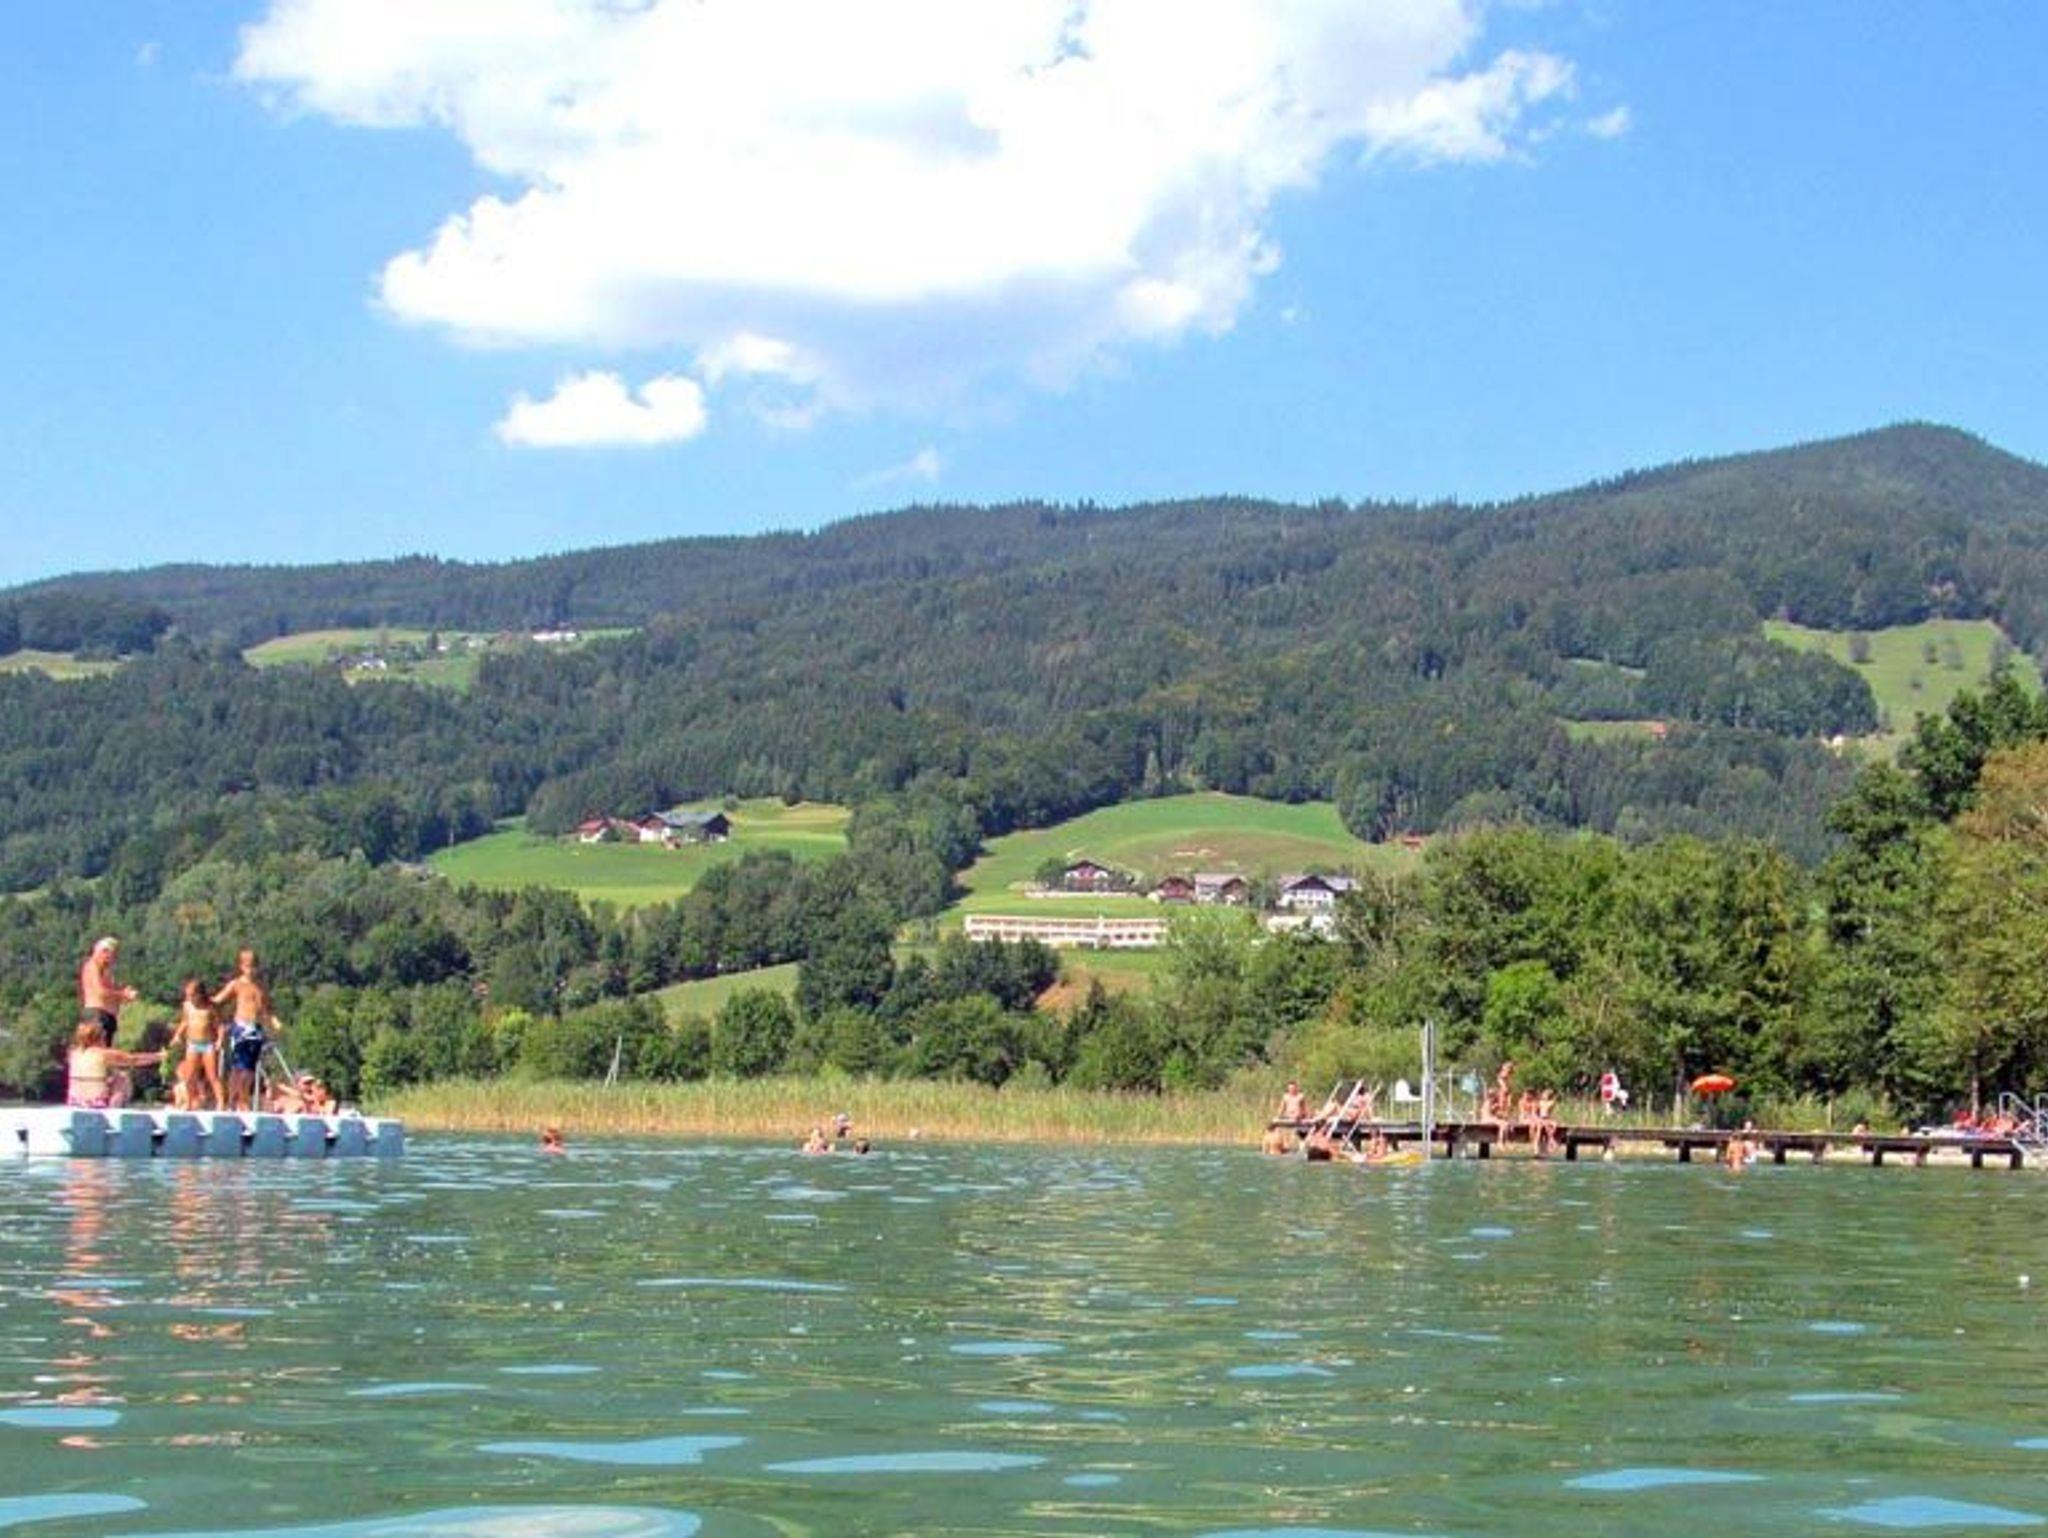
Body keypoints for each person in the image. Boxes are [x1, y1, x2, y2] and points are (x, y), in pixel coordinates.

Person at [213, 949, 281, 1113]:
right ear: (241, 966)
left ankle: (242, 1099)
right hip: (241, 1027)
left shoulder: (260, 987)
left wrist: (274, 1020)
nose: (251, 970)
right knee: (239, 1068)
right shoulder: (237, 984)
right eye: (248, 966)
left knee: (250, 1069)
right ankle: (235, 1101)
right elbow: (218, 999)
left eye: (254, 966)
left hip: (255, 1028)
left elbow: (266, 1008)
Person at [66, 1021, 163, 1109]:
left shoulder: (73, 1053)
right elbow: (134, 1060)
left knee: (111, 1075)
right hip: (96, 1102)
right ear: (99, 1037)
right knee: (122, 1078)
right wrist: (159, 1056)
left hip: (75, 1101)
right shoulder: (103, 1054)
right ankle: (115, 1109)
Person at [165, 979, 223, 1112]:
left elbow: (220, 1026)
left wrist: (219, 1040)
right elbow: (185, 1022)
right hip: (192, 1044)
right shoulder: (187, 1006)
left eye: (192, 995)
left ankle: (221, 1102)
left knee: (212, 1075)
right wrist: (177, 1035)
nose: (189, 998)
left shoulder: (210, 1007)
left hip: (207, 1044)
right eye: (188, 995)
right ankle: (189, 1102)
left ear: (200, 994)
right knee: (190, 1076)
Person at [78, 937, 138, 1048]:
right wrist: (122, 994)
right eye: (111, 955)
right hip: (96, 1015)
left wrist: (124, 996)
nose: (112, 959)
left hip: (107, 1016)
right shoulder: (92, 966)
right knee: (98, 1051)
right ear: (103, 952)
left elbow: (110, 994)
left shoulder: (105, 971)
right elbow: (100, 992)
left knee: (106, 1052)